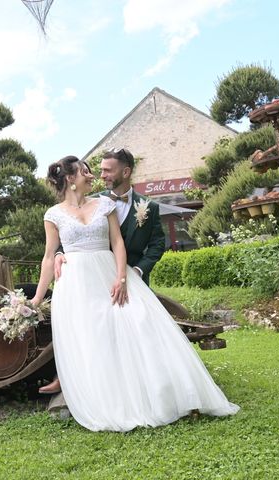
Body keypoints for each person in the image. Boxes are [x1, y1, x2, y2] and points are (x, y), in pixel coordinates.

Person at [30, 155, 238, 432]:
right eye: (85, 172)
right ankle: (103, 396)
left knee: (137, 322)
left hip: (109, 273)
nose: (92, 176)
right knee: (92, 337)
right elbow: (47, 256)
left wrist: (122, 278)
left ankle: (164, 391)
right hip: (76, 284)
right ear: (70, 178)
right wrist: (36, 298)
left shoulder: (104, 204)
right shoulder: (53, 214)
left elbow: (117, 242)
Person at [39, 148, 165, 394]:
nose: (100, 175)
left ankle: (147, 382)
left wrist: (134, 273)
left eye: (107, 170)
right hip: (86, 276)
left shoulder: (146, 206)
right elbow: (67, 235)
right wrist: (59, 254)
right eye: (95, 171)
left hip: (122, 274)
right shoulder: (90, 200)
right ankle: (69, 378)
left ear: (125, 172)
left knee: (138, 323)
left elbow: (156, 244)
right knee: (88, 327)